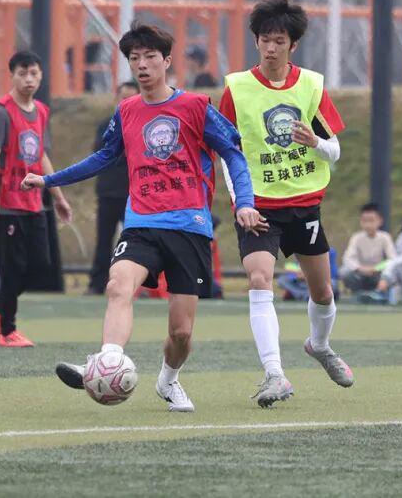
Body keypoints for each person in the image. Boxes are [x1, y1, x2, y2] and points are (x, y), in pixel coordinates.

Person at [26, 22, 262, 412]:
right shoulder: (127, 111)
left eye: (150, 57)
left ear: (167, 61)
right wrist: (50, 180)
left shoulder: (196, 106)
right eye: (134, 58)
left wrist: (246, 202)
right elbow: (104, 157)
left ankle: (168, 380)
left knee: (181, 333)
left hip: (189, 226)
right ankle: (107, 360)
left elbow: (234, 154)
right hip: (141, 223)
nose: (142, 65)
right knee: (119, 285)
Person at [219, 0, 353, 408]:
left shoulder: (311, 85)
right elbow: (226, 151)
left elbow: (335, 151)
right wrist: (241, 202)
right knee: (260, 279)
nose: (271, 48)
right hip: (258, 205)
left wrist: (315, 142)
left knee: (323, 292)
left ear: (293, 44)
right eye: (265, 40)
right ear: (256, 41)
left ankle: (319, 345)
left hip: (304, 204)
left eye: (279, 41)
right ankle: (275, 374)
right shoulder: (236, 89)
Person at [0, 50, 72, 348]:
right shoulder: (1, 112)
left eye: (34, 73)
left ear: (41, 76)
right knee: (12, 269)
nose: (29, 79)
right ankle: (8, 331)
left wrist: (58, 196)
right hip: (7, 205)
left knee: (42, 267)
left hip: (33, 203)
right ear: (12, 76)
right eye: (22, 73)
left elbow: (41, 155)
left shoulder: (41, 111)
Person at [86, 81, 139, 295]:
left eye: (131, 98)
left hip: (133, 195)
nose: (126, 102)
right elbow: (102, 154)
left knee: (134, 242)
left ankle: (135, 284)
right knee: (103, 240)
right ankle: (97, 282)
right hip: (108, 192)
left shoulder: (143, 126)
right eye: (123, 97)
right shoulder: (106, 126)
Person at [342, 202, 397, 294]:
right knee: (345, 271)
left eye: (371, 220)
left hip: (378, 274)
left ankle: (379, 293)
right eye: (364, 221)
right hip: (360, 273)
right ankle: (359, 294)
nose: (368, 225)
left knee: (392, 273)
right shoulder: (356, 237)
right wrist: (360, 268)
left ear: (380, 221)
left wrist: (377, 268)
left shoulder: (385, 237)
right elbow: (348, 258)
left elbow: (393, 259)